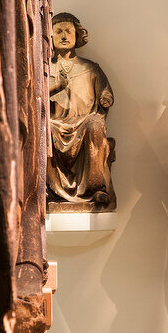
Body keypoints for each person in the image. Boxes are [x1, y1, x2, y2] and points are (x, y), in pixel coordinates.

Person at [48, 12, 116, 210]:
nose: (63, 36)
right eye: (58, 31)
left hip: (84, 122)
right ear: (50, 36)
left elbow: (106, 94)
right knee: (46, 129)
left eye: (68, 31)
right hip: (56, 123)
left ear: (77, 36)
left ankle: (96, 189)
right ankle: (50, 190)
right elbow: (33, 99)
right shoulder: (44, 69)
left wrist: (106, 98)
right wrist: (56, 86)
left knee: (95, 124)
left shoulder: (91, 68)